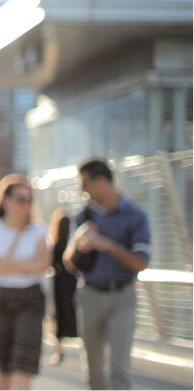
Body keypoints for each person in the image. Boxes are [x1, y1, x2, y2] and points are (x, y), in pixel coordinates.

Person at [64, 159, 150, 390]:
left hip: (123, 296)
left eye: (85, 182)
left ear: (101, 181)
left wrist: (108, 245)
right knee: (93, 370)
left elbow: (141, 263)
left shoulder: (135, 215)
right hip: (90, 295)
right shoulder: (83, 216)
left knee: (119, 369)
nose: (82, 189)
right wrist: (78, 243)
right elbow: (68, 263)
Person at [0, 174, 50, 390]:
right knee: (3, 364)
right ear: (5, 200)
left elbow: (43, 263)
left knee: (23, 364)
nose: (26, 205)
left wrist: (5, 264)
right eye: (20, 199)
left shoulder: (39, 229)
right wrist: (26, 265)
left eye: (29, 200)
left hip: (31, 299)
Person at [47, 207, 78, 365]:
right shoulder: (72, 244)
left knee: (58, 317)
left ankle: (59, 352)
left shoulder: (55, 244)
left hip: (59, 284)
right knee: (76, 315)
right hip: (72, 283)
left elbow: (49, 263)